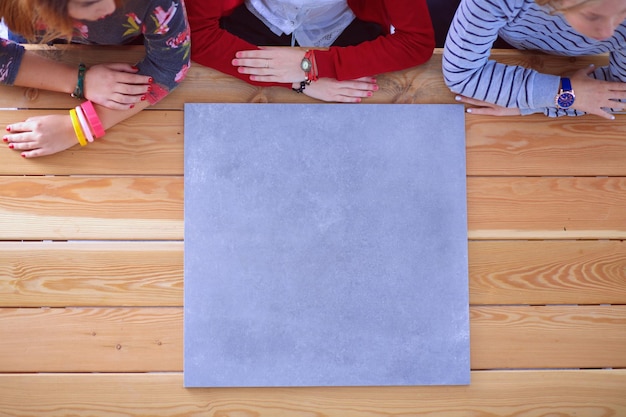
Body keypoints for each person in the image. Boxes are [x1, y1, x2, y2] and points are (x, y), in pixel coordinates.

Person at [1, 0, 190, 158]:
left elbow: (169, 66)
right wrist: (78, 80)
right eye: (90, 2)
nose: (111, 7)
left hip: (118, 52)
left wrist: (78, 126)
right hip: (34, 54)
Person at [186, 0, 435, 103]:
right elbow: (195, 34)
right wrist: (301, 81)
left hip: (345, 29)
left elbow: (416, 41)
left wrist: (313, 64)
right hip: (251, 25)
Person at [442, 0, 626, 119]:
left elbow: (619, 96)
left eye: (622, 11)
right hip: (497, 35)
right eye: (592, 15)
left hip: (573, 57)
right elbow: (462, 75)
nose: (608, 32)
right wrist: (563, 93)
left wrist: (534, 103)